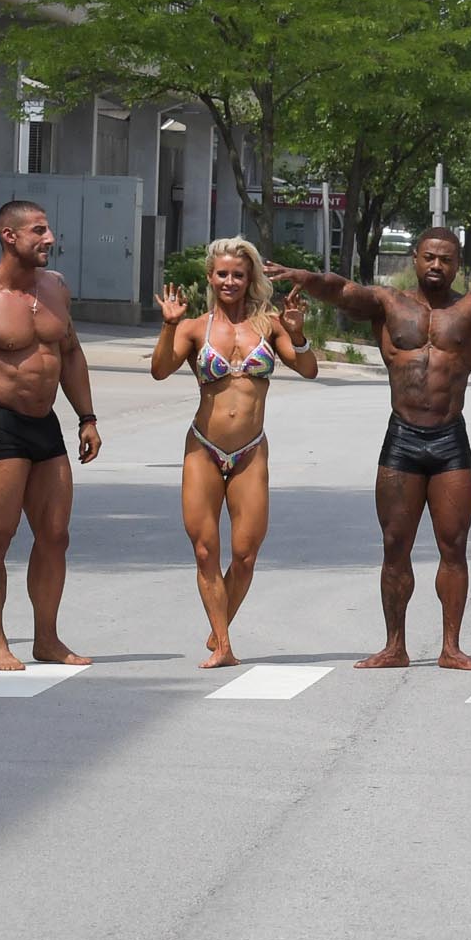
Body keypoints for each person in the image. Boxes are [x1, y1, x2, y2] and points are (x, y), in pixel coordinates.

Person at [281, 230, 471, 671]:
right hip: (403, 437)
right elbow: (342, 290)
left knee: (454, 546)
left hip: (450, 440)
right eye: (429, 257)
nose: (436, 265)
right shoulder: (387, 303)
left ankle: (451, 647)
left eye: (446, 259)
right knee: (395, 544)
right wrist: (305, 276)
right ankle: (394, 645)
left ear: (458, 264)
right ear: (415, 258)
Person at [0, 200, 101, 672]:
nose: (49, 238)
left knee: (55, 535)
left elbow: (70, 352)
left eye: (48, 229)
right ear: (9, 236)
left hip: (45, 424)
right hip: (1, 426)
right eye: (38, 230)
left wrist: (87, 417)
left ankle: (47, 639)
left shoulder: (56, 288)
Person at [151, 238, 319, 669]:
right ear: (210, 277)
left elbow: (308, 369)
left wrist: (298, 334)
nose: (229, 281)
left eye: (238, 275)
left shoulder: (270, 326)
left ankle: (218, 623)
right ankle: (223, 645)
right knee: (205, 551)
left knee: (245, 554)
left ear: (250, 279)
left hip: (250, 451)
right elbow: (159, 370)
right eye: (222, 274)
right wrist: (169, 325)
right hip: (203, 448)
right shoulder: (194, 328)